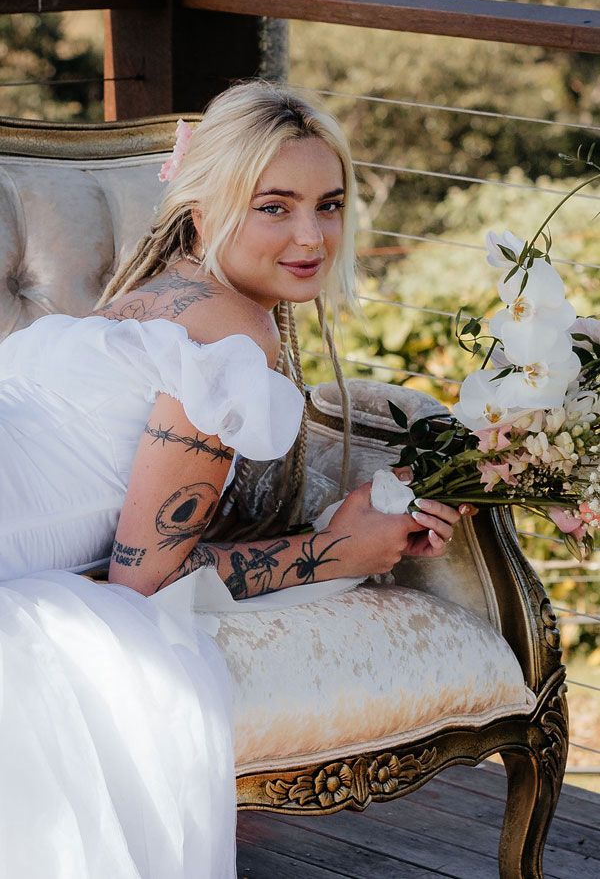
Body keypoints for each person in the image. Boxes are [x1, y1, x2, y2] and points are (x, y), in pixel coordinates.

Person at [0, 79, 474, 877]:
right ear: (203, 210)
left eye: (329, 205)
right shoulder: (230, 333)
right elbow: (144, 581)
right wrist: (337, 552)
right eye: (273, 206)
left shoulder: (146, 302)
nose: (311, 236)